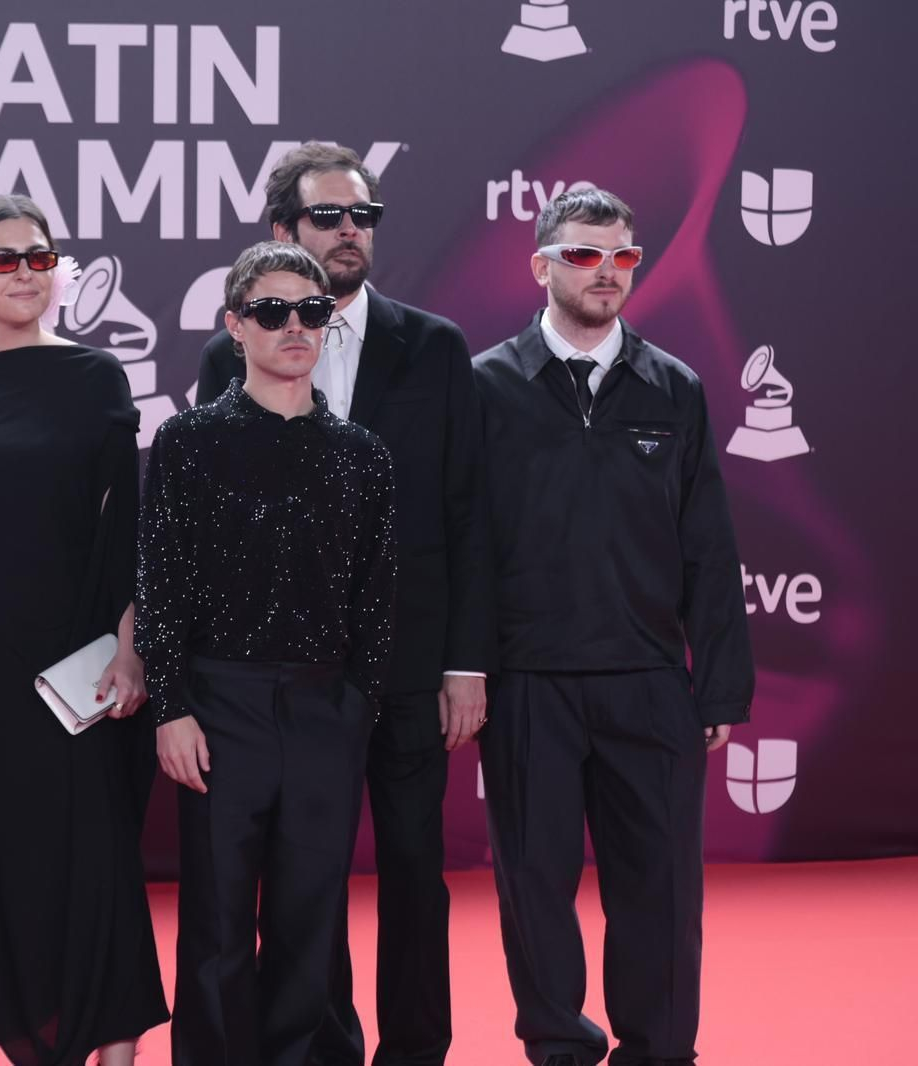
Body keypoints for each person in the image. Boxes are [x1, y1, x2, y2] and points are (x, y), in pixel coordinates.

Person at [197, 142, 495, 1066]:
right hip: (287, 680)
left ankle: (414, 1049)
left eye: (363, 216)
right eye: (329, 216)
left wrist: (464, 662)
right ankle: (318, 1047)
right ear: (283, 229)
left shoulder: (435, 346)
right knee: (301, 881)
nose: (350, 232)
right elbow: (211, 526)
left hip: (408, 665)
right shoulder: (229, 354)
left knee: (412, 871)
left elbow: (469, 511)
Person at [471, 188, 754, 1066]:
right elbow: (463, 543)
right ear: (542, 266)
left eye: (623, 257)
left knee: (662, 892)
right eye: (586, 255)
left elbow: (708, 543)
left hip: (648, 681)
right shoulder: (486, 386)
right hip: (527, 684)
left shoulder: (674, 387)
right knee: (534, 887)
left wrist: (720, 683)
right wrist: (463, 670)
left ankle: (660, 1049)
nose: (607, 273)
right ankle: (557, 1044)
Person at [0, 194, 168, 1066]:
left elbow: (127, 525)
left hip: (75, 670)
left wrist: (131, 648)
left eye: (39, 257)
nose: (25, 273)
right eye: (4, 259)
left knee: (92, 871)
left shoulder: (95, 376)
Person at [141, 240, 398, 1066]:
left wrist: (357, 707)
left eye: (313, 311)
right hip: (221, 706)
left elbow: (378, 600)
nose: (295, 326)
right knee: (215, 922)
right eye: (273, 311)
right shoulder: (188, 443)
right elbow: (163, 585)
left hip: (328, 710)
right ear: (235, 326)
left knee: (310, 916)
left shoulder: (363, 455)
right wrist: (174, 707)